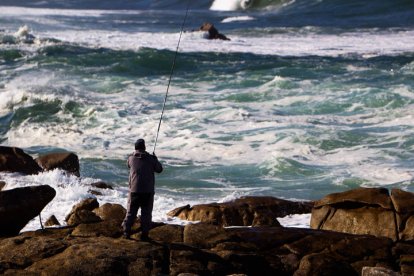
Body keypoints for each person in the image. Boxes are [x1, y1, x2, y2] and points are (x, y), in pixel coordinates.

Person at [122, 138, 163, 240]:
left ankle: (126, 232)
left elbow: (128, 165)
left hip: (134, 191)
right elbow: (159, 169)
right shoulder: (151, 159)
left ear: (135, 148)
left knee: (131, 212)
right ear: (144, 147)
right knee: (146, 214)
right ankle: (144, 235)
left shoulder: (131, 159)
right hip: (147, 192)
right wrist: (155, 159)